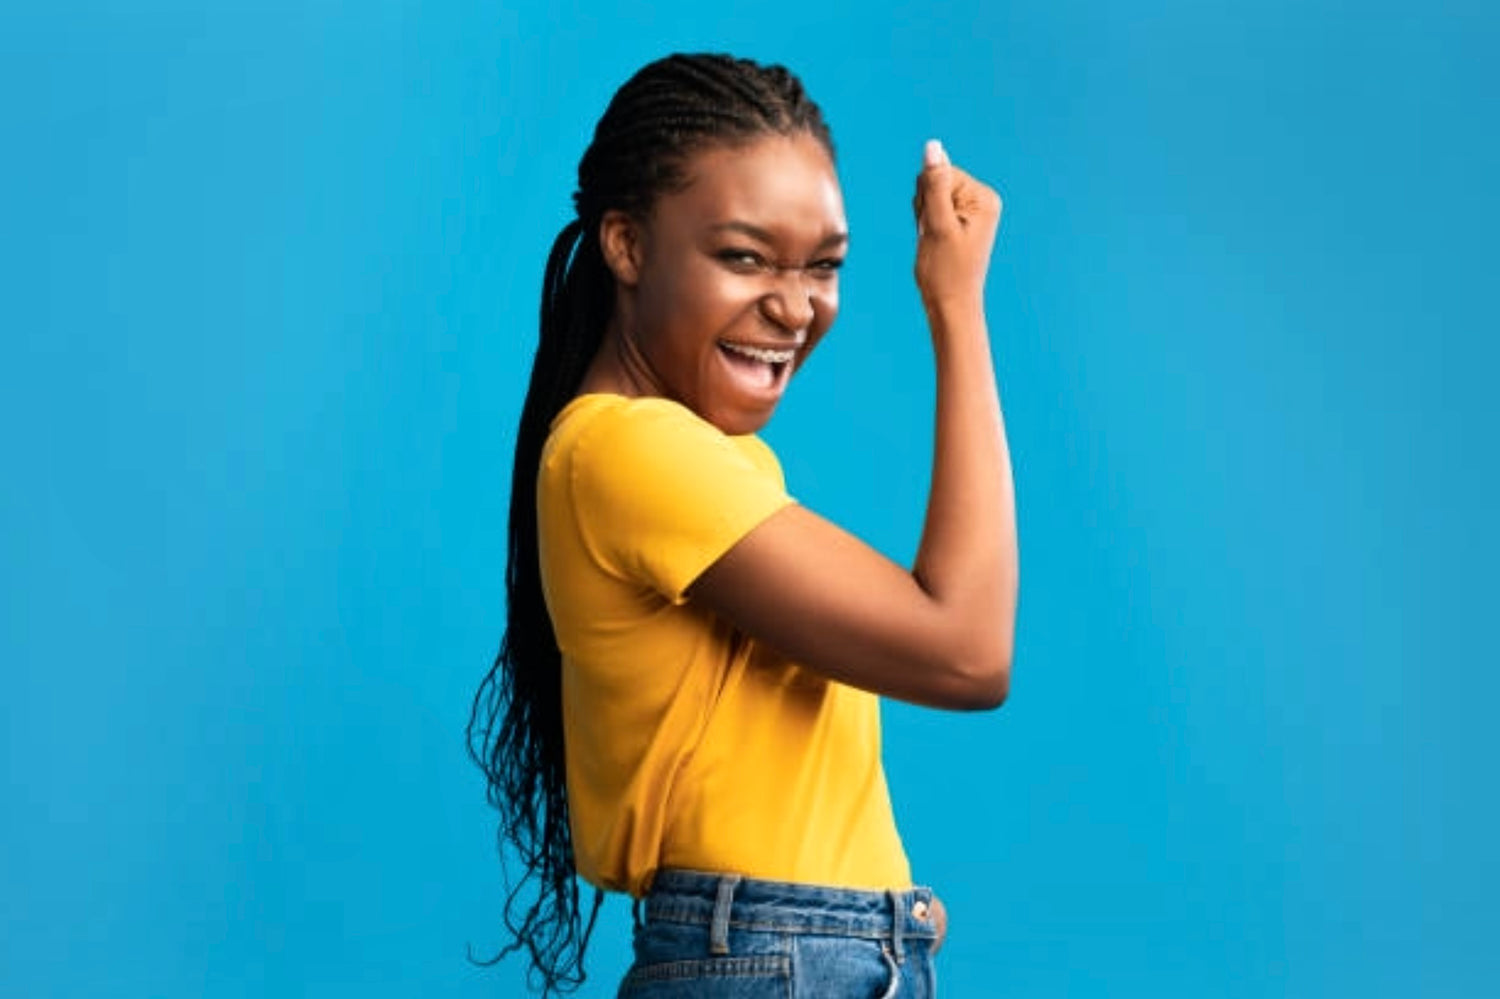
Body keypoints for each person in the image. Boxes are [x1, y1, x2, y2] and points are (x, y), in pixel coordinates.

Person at [468, 52, 1017, 997]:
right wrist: (958, 307)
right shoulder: (630, 452)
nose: (795, 305)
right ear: (626, 245)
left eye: (824, 266)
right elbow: (964, 648)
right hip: (774, 955)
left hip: (805, 952)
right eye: (745, 256)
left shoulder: (699, 460)